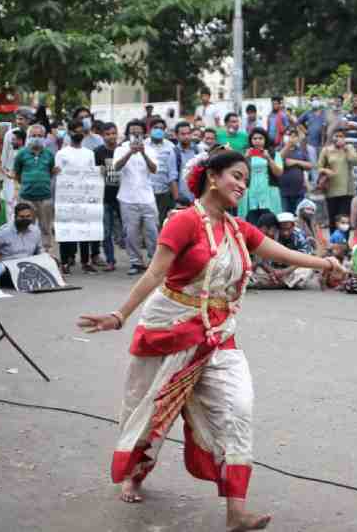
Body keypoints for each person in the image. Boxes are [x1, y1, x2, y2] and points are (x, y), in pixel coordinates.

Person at [77, 149, 341, 527]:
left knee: (239, 408)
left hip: (218, 334)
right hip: (168, 330)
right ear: (212, 177)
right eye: (236, 176)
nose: (243, 185)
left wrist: (326, 262)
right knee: (149, 411)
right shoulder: (184, 221)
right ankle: (135, 474)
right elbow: (155, 274)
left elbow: (282, 253)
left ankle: (236, 511)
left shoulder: (238, 229)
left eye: (246, 179)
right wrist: (119, 316)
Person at [113, 119, 160, 276]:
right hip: (127, 198)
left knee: (152, 231)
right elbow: (116, 167)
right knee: (131, 233)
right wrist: (130, 153)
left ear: (144, 134)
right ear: (127, 134)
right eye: (133, 133)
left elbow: (154, 169)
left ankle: (154, 261)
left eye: (138, 133)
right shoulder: (120, 149)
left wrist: (143, 153)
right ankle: (136, 262)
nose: (136, 135)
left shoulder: (150, 150)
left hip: (147, 197)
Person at [56, 119, 100, 274]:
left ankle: (85, 261)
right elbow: (58, 175)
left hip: (85, 195)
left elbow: (92, 174)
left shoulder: (89, 153)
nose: (79, 134)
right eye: (76, 131)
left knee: (85, 230)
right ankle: (65, 261)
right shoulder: (61, 153)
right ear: (69, 132)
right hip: (66, 196)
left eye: (81, 131)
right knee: (67, 230)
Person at [13, 124, 57, 254]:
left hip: (45, 197)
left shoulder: (49, 154)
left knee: (45, 227)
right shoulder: (22, 154)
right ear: (28, 137)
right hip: (26, 197)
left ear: (44, 137)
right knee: (26, 227)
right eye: (33, 135)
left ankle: (46, 253)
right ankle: (27, 252)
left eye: (39, 136)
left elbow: (51, 172)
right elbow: (17, 174)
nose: (36, 138)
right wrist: (27, 183)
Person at [0, 203, 43, 286]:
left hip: (28, 266)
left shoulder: (35, 231)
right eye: (22, 217)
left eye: (28, 216)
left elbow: (40, 250)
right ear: (15, 217)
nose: (25, 219)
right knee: (2, 270)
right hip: (8, 267)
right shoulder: (4, 232)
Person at [94, 122, 123, 272]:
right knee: (106, 232)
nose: (111, 136)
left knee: (128, 230)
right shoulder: (97, 152)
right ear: (102, 136)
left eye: (113, 133)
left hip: (124, 196)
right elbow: (91, 173)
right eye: (108, 134)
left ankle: (136, 259)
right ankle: (110, 260)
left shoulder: (123, 150)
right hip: (104, 197)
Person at [317, 129, 357, 225]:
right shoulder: (326, 150)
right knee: (333, 218)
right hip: (331, 189)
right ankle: (333, 234)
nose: (338, 138)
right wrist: (325, 170)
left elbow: (354, 161)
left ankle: (344, 235)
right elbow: (319, 167)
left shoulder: (349, 148)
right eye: (336, 136)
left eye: (341, 136)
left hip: (347, 190)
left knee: (344, 218)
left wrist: (346, 148)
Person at [276, 128, 312, 214]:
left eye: (295, 136)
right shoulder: (278, 149)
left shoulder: (301, 150)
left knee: (298, 216)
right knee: (285, 216)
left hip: (299, 191)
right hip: (283, 192)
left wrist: (295, 162)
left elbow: (310, 166)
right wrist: (288, 146)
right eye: (289, 135)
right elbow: (277, 159)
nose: (292, 138)